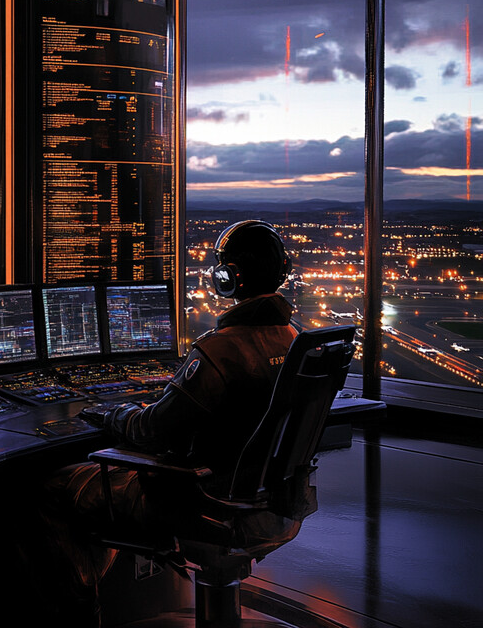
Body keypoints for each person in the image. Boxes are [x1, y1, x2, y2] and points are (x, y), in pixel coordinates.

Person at [23, 219, 298, 627]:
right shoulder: (293, 339)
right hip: (274, 503)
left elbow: (149, 430)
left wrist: (110, 414)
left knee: (49, 489)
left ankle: (81, 616)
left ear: (229, 278)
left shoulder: (221, 349)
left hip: (203, 501)